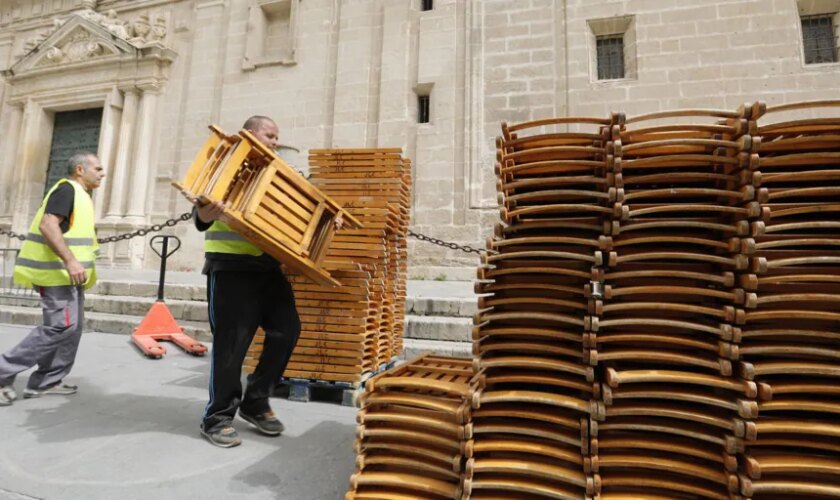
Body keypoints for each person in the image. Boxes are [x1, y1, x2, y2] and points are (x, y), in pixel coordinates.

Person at [194, 115, 342, 448]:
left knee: (287, 330)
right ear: (249, 133)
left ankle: (256, 401)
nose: (275, 141)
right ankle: (216, 418)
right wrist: (209, 212)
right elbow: (200, 218)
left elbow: (303, 210)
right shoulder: (224, 166)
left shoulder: (277, 174)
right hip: (230, 270)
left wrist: (331, 219)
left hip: (268, 269)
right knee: (232, 348)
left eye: (277, 137)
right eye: (270, 135)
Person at [0, 152, 105, 406]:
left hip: (71, 277)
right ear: (80, 170)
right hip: (56, 274)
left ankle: (46, 381)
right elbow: (49, 225)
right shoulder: (67, 190)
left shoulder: (81, 196)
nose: (102, 174)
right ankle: (3, 371)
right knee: (61, 326)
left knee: (73, 328)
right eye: (98, 169)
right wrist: (70, 260)